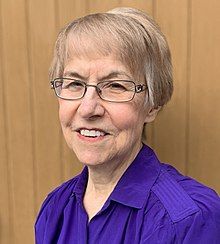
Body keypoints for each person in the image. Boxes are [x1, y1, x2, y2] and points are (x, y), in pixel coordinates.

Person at [35, 7, 220, 244]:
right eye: (74, 83)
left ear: (152, 105)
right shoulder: (55, 209)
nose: (88, 108)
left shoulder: (192, 220)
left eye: (116, 86)